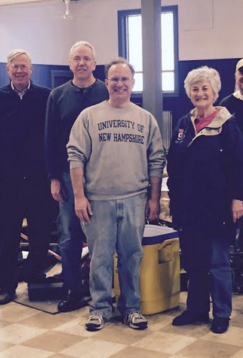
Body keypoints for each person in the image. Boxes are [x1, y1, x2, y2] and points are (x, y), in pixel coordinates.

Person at [67, 59, 166, 332]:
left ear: (133, 83)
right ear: (106, 82)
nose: (120, 84)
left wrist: (154, 198)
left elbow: (156, 160)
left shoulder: (146, 119)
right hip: (97, 201)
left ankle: (131, 308)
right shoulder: (89, 116)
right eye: (114, 79)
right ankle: (99, 308)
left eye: (125, 79)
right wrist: (79, 196)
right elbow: (75, 156)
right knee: (99, 258)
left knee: (131, 257)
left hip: (135, 199)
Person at [167, 66, 243, 334]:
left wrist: (238, 198)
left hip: (218, 207)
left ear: (215, 92)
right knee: (193, 262)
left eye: (205, 88)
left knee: (217, 262)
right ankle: (197, 309)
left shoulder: (227, 125)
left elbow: (242, 164)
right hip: (188, 206)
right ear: (189, 93)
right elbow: (174, 161)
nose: (200, 93)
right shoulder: (183, 124)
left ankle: (222, 313)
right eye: (195, 88)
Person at [0, 49, 52, 305]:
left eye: (24, 66)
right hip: (9, 181)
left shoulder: (46, 97)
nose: (19, 71)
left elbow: (56, 136)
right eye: (15, 67)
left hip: (40, 181)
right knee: (8, 236)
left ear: (31, 69)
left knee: (41, 234)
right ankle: (7, 286)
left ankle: (34, 279)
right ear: (7, 70)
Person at [45, 41, 108, 313]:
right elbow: (49, 138)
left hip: (102, 175)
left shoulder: (106, 91)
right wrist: (54, 178)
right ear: (70, 64)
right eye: (76, 59)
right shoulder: (57, 95)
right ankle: (72, 288)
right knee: (69, 235)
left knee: (101, 237)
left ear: (94, 64)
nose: (81, 63)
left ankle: (101, 291)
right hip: (68, 177)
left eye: (87, 58)